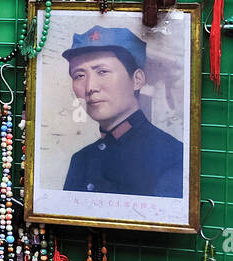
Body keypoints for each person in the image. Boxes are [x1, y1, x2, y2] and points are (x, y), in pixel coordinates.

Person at [61, 26, 184, 197]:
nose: (90, 88)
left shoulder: (174, 156)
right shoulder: (81, 160)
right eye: (79, 75)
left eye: (102, 72)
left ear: (137, 80)